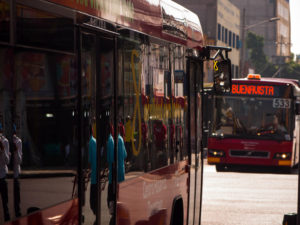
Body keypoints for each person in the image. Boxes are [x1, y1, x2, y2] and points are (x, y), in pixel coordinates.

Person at [107, 124, 127, 215]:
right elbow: (125, 154)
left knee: (111, 195)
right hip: (121, 172)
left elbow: (110, 159)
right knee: (119, 194)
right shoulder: (121, 139)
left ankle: (113, 211)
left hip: (114, 173)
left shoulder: (114, 141)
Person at [0, 123, 10, 221]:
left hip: (2, 176)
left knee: (5, 204)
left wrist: (2, 149)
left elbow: (7, 161)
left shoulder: (5, 141)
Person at [12, 124, 22, 218]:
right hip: (4, 172)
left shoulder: (18, 142)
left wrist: (16, 151)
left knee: (16, 194)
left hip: (15, 172)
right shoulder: (6, 141)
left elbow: (19, 160)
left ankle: (18, 213)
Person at [88, 126, 97, 218]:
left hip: (94, 175)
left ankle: (95, 211)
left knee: (92, 198)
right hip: (95, 173)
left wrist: (88, 171)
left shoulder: (91, 142)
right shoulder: (94, 141)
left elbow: (90, 160)